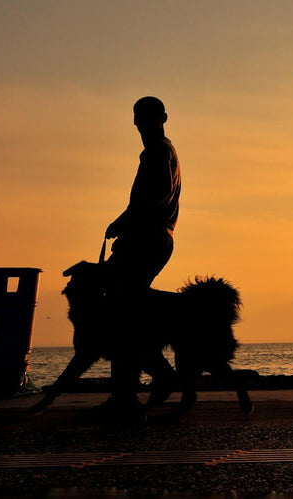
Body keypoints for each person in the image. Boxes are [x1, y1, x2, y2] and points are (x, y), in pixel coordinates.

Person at [98, 96, 182, 420]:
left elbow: (153, 198)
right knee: (125, 314)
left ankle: (132, 393)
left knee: (121, 317)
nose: (142, 123)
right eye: (139, 117)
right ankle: (141, 384)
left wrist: (124, 221)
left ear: (162, 117)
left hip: (148, 239)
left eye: (146, 117)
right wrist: (123, 222)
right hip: (150, 239)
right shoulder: (158, 152)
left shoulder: (159, 152)